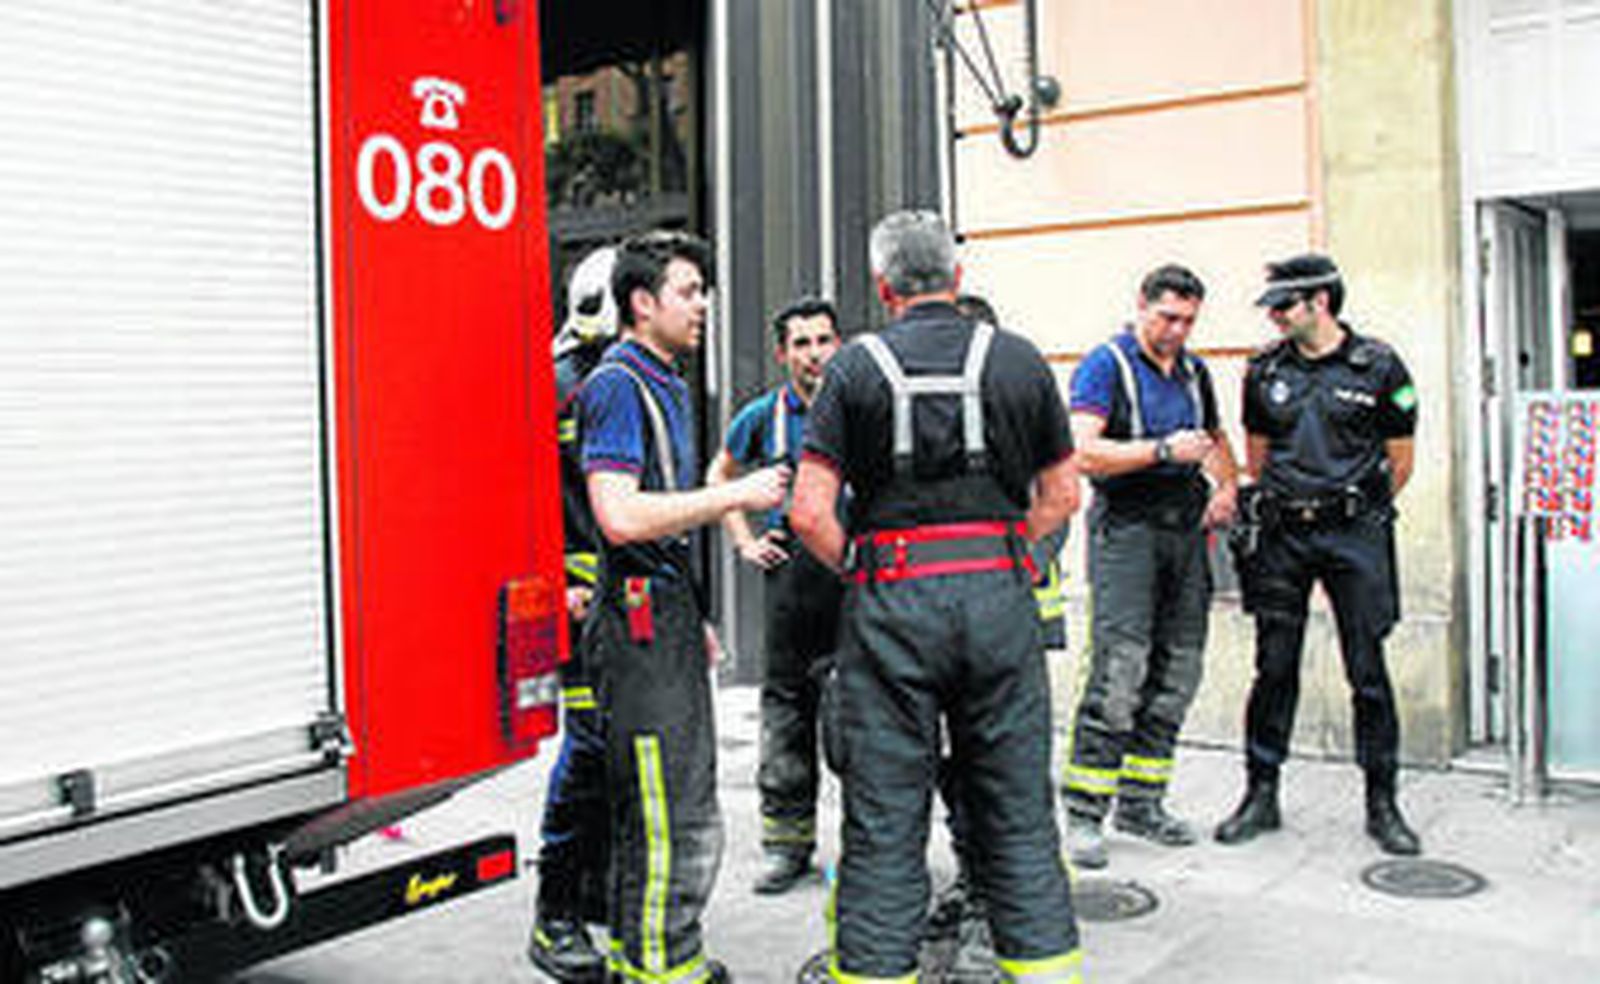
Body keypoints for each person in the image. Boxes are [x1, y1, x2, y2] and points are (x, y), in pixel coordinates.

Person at [791, 210, 1084, 983]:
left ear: (882, 286)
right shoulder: (1020, 362)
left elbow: (808, 513)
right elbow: (1062, 494)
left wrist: (866, 571)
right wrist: (1012, 556)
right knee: (1018, 811)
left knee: (885, 821)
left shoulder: (852, 370)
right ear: (958, 279)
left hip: (892, 603)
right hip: (998, 597)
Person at [580, 230, 789, 984]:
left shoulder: (664, 378)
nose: (704, 305)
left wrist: (693, 613)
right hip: (635, 624)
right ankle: (655, 967)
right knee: (666, 807)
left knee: (681, 794)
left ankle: (667, 954)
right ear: (642, 303)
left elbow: (657, 517)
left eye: (704, 291)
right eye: (688, 292)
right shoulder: (617, 384)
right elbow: (621, 516)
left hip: (662, 614)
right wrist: (738, 494)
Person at [1215, 254, 1421, 856]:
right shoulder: (1262, 369)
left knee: (1368, 671)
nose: (1274, 315)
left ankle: (1382, 802)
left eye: (1284, 304)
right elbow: (1257, 457)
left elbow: (1400, 460)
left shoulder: (1379, 365)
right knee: (1274, 666)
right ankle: (1261, 792)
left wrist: (1352, 508)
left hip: (1353, 535)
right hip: (1283, 534)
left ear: (1320, 302)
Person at [1059, 264, 1239, 870]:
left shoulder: (1193, 369)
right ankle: (1085, 811)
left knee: (1177, 671)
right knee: (1119, 672)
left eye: (1188, 320)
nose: (1177, 330)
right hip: (1127, 534)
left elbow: (1215, 438)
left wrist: (1227, 486)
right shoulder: (1105, 365)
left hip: (1185, 534)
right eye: (1167, 317)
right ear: (1141, 305)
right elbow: (1082, 450)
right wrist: (1161, 451)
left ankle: (1143, 800)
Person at [705, 297, 844, 895]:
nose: (814, 353)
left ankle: (868, 848)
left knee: (858, 720)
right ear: (783, 353)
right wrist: (743, 542)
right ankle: (787, 847)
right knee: (787, 714)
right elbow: (720, 478)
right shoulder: (763, 416)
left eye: (823, 340)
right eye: (802, 343)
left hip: (851, 580)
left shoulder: (857, 405)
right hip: (790, 583)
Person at [529, 246, 620, 983]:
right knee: (587, 748)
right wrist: (555, 582)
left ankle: (592, 892)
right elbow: (531, 499)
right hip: (582, 604)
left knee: (617, 752)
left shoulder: (617, 382)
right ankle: (554, 911)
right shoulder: (562, 387)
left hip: (629, 604)